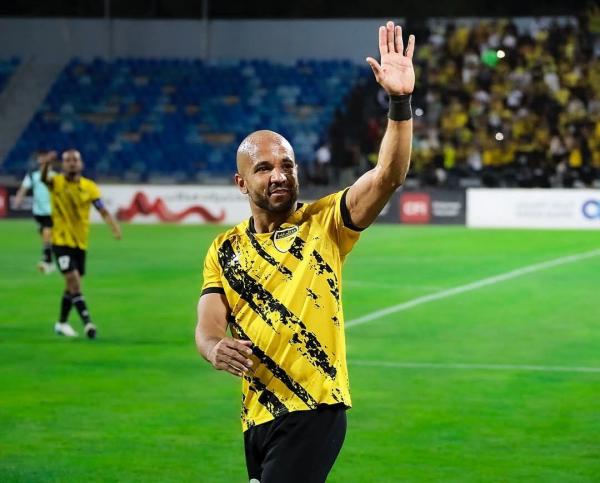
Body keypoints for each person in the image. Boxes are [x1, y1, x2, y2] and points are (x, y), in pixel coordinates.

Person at [195, 21, 415, 482]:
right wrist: (214, 348)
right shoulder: (224, 249)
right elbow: (208, 326)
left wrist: (400, 103)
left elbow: (387, 176)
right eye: (264, 168)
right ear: (241, 183)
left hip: (315, 408)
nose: (279, 175)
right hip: (256, 415)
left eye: (287, 165)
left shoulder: (325, 222)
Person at [41, 149, 122, 338]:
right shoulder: (56, 182)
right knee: (73, 280)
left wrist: (114, 227)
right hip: (61, 241)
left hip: (80, 243)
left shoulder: (90, 187)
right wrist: (46, 164)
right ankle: (88, 324)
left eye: (75, 160)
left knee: (71, 285)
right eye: (68, 160)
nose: (72, 163)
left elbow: (102, 210)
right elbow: (44, 178)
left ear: (81, 164)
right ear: (63, 164)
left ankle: (61, 323)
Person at [13, 150, 58, 274]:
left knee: (47, 233)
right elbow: (24, 188)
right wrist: (18, 199)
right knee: (44, 236)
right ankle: (50, 260)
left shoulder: (55, 176)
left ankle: (46, 260)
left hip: (51, 210)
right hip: (38, 211)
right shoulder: (33, 176)